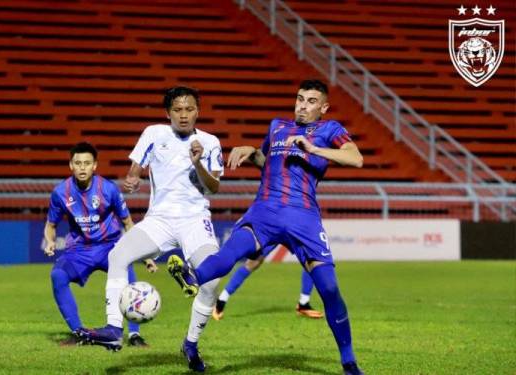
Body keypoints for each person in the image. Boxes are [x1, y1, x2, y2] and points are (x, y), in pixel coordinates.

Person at [168, 80, 366, 375]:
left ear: (323, 108)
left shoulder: (330, 130)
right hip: (265, 211)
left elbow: (356, 159)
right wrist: (252, 150)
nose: (302, 105)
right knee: (230, 255)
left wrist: (314, 149)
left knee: (329, 288)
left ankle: (349, 363)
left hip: (304, 218)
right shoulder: (277, 126)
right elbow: (267, 162)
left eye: (311, 101)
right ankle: (190, 276)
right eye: (300, 98)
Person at [79, 86, 224, 372]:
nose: (184, 115)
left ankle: (190, 344)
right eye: (178, 110)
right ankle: (112, 328)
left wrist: (198, 163)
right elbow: (136, 168)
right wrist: (132, 180)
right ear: (168, 113)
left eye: (190, 109)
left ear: (199, 111)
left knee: (211, 283)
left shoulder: (209, 141)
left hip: (195, 220)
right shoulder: (153, 133)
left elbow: (214, 187)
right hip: (159, 219)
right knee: (118, 255)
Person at [44, 142, 157, 348]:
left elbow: (128, 223)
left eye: (87, 163)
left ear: (95, 166)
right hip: (79, 250)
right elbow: (50, 225)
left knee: (129, 280)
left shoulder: (108, 189)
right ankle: (79, 333)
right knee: (57, 276)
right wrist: (50, 241)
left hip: (109, 247)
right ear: (71, 165)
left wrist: (145, 255)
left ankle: (133, 335)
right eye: (77, 163)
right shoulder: (60, 192)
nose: (82, 167)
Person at [212, 244, 323, 320]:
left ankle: (304, 303)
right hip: (276, 222)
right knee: (253, 262)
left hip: (292, 221)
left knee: (310, 257)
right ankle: (222, 299)